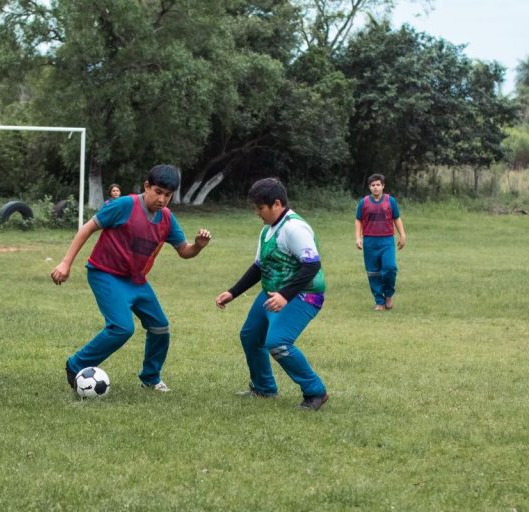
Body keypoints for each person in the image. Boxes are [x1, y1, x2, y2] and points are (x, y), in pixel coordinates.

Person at [51, 164, 212, 392]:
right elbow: (87, 228)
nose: (162, 199)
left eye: (167, 195)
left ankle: (151, 377)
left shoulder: (166, 218)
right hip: (105, 274)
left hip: (136, 281)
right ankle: (76, 364)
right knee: (121, 328)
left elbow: (184, 250)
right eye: (158, 192)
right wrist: (65, 263)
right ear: (146, 186)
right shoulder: (124, 205)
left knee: (160, 327)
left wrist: (197, 245)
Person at [215, 177, 329, 410]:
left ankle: (316, 392)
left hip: (303, 296)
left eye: (260, 208)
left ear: (276, 204)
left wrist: (285, 295)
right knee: (251, 336)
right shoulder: (268, 230)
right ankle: (264, 388)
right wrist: (232, 292)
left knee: (278, 343)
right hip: (273, 294)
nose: (257, 213)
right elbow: (259, 267)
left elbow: (312, 265)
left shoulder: (295, 228)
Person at [354, 173, 406, 311]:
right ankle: (379, 301)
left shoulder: (390, 201)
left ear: (383, 186)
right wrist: (358, 237)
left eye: (378, 185)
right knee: (373, 272)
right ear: (369, 187)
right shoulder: (363, 202)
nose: (375, 188)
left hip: (387, 240)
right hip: (369, 241)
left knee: (390, 268)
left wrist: (402, 235)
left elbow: (397, 218)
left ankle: (388, 294)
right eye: (373, 185)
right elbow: (358, 219)